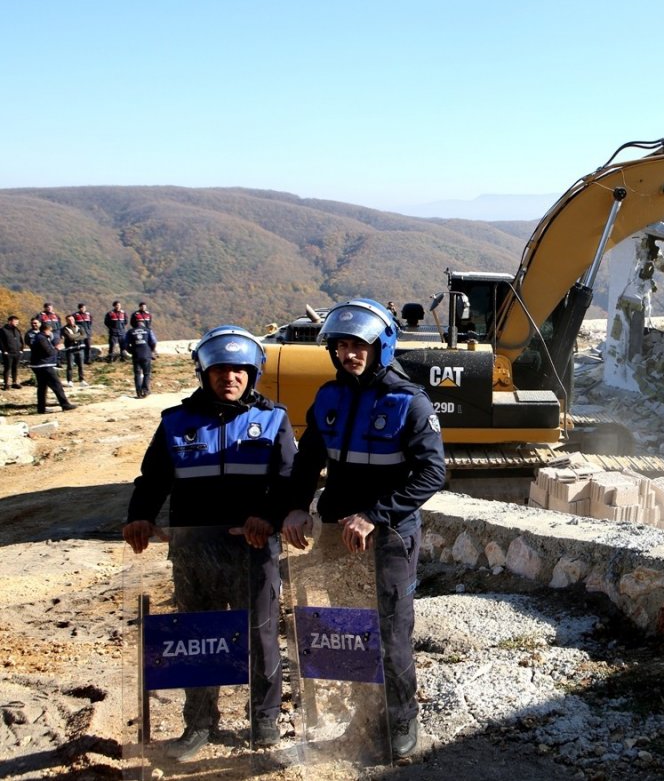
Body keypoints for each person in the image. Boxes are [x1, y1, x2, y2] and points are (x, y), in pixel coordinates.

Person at [281, 298, 445, 760]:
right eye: (341, 345)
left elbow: (432, 473)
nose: (349, 354)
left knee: (390, 632)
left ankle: (400, 724)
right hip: (337, 532)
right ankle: (363, 717)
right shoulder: (328, 397)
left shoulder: (407, 401)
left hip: (389, 536)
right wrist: (296, 508)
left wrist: (375, 514)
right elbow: (309, 460)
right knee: (350, 630)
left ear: (381, 346)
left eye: (359, 345)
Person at [123, 326, 296, 762]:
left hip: (253, 549)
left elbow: (290, 483)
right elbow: (152, 480)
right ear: (204, 372)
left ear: (253, 373)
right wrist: (139, 516)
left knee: (260, 635)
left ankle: (265, 718)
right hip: (193, 551)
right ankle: (199, 722)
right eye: (220, 369)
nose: (230, 377)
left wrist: (270, 517)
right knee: (199, 637)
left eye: (239, 369)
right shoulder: (175, 421)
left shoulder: (274, 419)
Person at [29, 322, 75, 413]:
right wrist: (57, 348)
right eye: (50, 331)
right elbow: (48, 351)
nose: (51, 333)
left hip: (38, 365)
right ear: (47, 330)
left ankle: (41, 408)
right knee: (56, 384)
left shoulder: (39, 337)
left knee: (42, 386)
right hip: (44, 365)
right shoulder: (42, 338)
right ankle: (64, 404)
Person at [125, 316, 158, 398]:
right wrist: (152, 351)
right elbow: (154, 342)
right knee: (147, 373)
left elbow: (125, 345)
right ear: (143, 322)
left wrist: (131, 351)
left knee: (137, 374)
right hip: (146, 354)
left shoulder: (130, 332)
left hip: (136, 355)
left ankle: (139, 393)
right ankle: (145, 391)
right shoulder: (148, 330)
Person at [61, 314, 87, 384]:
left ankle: (82, 380)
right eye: (69, 320)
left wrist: (74, 336)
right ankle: (69, 380)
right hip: (70, 349)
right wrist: (79, 334)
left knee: (81, 365)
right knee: (70, 366)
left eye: (72, 319)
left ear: (74, 319)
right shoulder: (64, 329)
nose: (71, 321)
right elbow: (69, 337)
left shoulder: (80, 326)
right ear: (66, 321)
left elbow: (84, 336)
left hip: (80, 348)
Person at [1, 315, 23, 390]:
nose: (17, 323)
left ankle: (14, 382)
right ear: (10, 321)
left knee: (15, 368)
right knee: (7, 368)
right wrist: (4, 351)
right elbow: (1, 342)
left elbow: (21, 340)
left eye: (17, 321)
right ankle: (6, 383)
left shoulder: (17, 330)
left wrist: (21, 349)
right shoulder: (3, 330)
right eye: (15, 321)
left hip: (17, 352)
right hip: (8, 353)